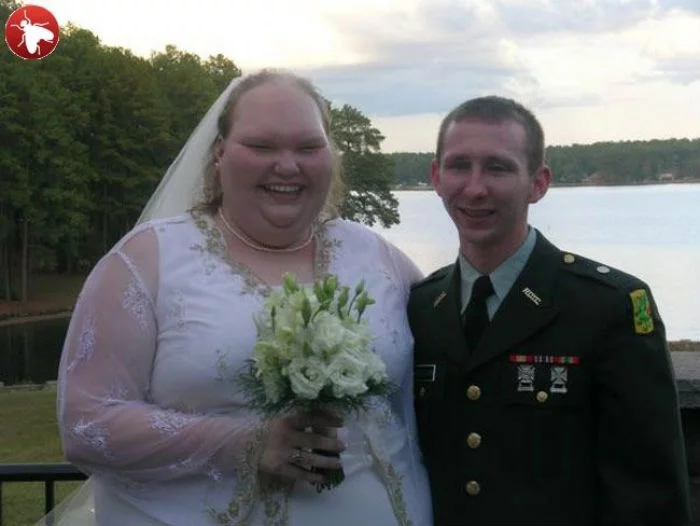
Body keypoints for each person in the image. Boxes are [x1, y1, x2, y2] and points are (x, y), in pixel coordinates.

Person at [51, 69, 433, 525]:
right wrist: (246, 443)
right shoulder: (147, 261)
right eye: (261, 146)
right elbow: (86, 425)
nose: (287, 166)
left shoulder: (379, 258)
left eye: (308, 147)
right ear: (220, 154)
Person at [408, 95, 692, 525]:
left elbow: (649, 494)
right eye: (459, 166)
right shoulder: (423, 306)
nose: (475, 187)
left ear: (538, 183)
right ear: (436, 177)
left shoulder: (607, 306)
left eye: (498, 168)